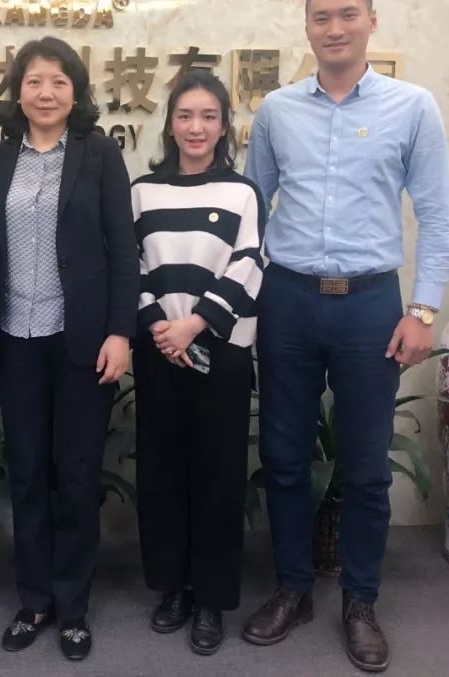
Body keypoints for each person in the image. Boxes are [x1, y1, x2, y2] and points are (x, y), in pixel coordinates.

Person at [242, 0, 449, 673]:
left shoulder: (412, 106)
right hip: (288, 299)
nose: (334, 28)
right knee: (283, 456)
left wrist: (422, 308)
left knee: (365, 467)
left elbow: (438, 214)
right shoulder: (277, 111)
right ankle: (293, 588)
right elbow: (250, 211)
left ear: (371, 20)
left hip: (370, 305)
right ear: (306, 26)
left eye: (347, 15)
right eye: (321, 17)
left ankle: (360, 601)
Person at [0, 36, 139, 661]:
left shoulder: (100, 154)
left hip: (83, 341)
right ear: (17, 91)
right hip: (16, 339)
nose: (46, 92)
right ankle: (34, 597)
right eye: (35, 81)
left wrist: (121, 331)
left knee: (77, 471)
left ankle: (72, 605)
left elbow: (124, 251)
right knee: (28, 471)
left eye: (59, 81)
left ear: (76, 92)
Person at [131, 70, 265, 656]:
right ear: (169, 124)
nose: (196, 127)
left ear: (224, 125)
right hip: (159, 349)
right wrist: (160, 327)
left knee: (217, 475)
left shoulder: (242, 192)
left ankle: (210, 597)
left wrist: (195, 323)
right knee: (162, 473)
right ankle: (174, 587)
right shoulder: (142, 191)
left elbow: (249, 263)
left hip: (221, 350)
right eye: (185, 115)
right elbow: (131, 263)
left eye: (209, 116)